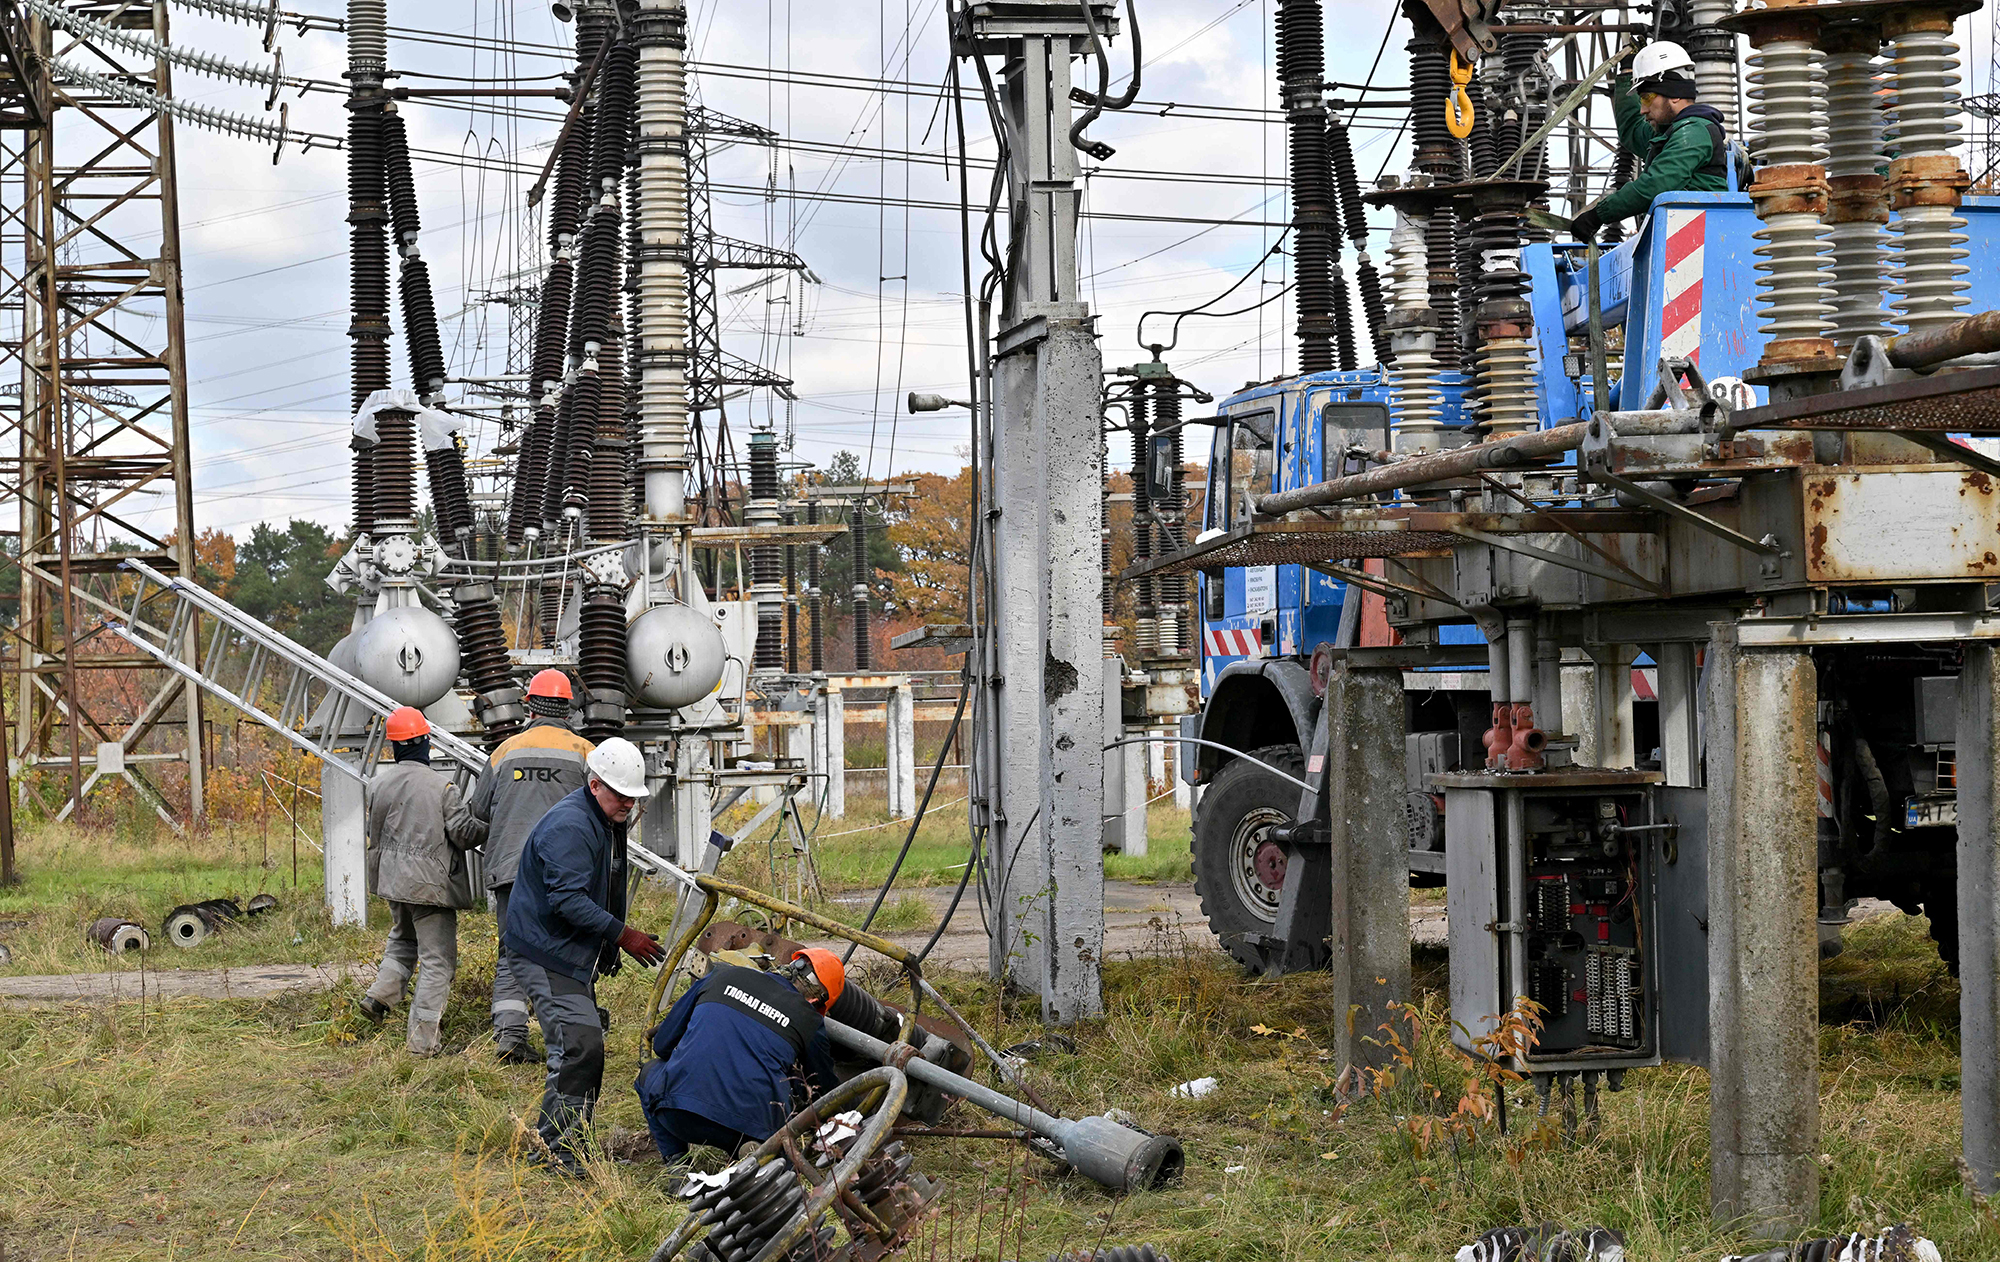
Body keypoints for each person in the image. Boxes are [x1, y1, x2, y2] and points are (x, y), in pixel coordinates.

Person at [504, 735, 666, 1174]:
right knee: (578, 1045)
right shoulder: (572, 826)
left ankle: (572, 1142)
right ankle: (557, 1151)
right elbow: (568, 901)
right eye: (620, 794)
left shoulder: (606, 821)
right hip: (545, 951)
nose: (628, 804)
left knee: (584, 1043)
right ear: (595, 785)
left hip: (566, 949)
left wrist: (608, 944)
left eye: (634, 797)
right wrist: (621, 935)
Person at [466, 669, 595, 1063]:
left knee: (513, 952)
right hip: (566, 875)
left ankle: (509, 1035)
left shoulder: (504, 752)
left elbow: (479, 810)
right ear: (569, 706)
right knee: (571, 950)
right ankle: (575, 1034)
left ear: (529, 705)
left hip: (511, 870)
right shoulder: (586, 753)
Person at [357, 706, 489, 1055]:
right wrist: (489, 820)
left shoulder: (378, 783)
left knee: (402, 940)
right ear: (425, 742)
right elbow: (463, 835)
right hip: (429, 886)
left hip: (391, 880)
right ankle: (422, 1044)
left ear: (395, 745)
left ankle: (379, 997)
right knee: (437, 961)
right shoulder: (441, 787)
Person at [635, 949, 845, 1164]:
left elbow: (662, 1045)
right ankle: (752, 1155)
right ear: (817, 1000)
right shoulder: (809, 1019)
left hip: (678, 1114)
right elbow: (822, 1089)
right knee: (768, 1139)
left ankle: (676, 1163)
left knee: (648, 1072)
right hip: (753, 1131)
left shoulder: (722, 976)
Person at [1568, 41, 1731, 243]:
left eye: (1646, 98)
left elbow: (1656, 184)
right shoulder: (1669, 132)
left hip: (1702, 241)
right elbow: (1632, 130)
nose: (1643, 110)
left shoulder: (1694, 131)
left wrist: (1598, 215)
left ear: (1675, 93)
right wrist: (1628, 72)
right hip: (1681, 239)